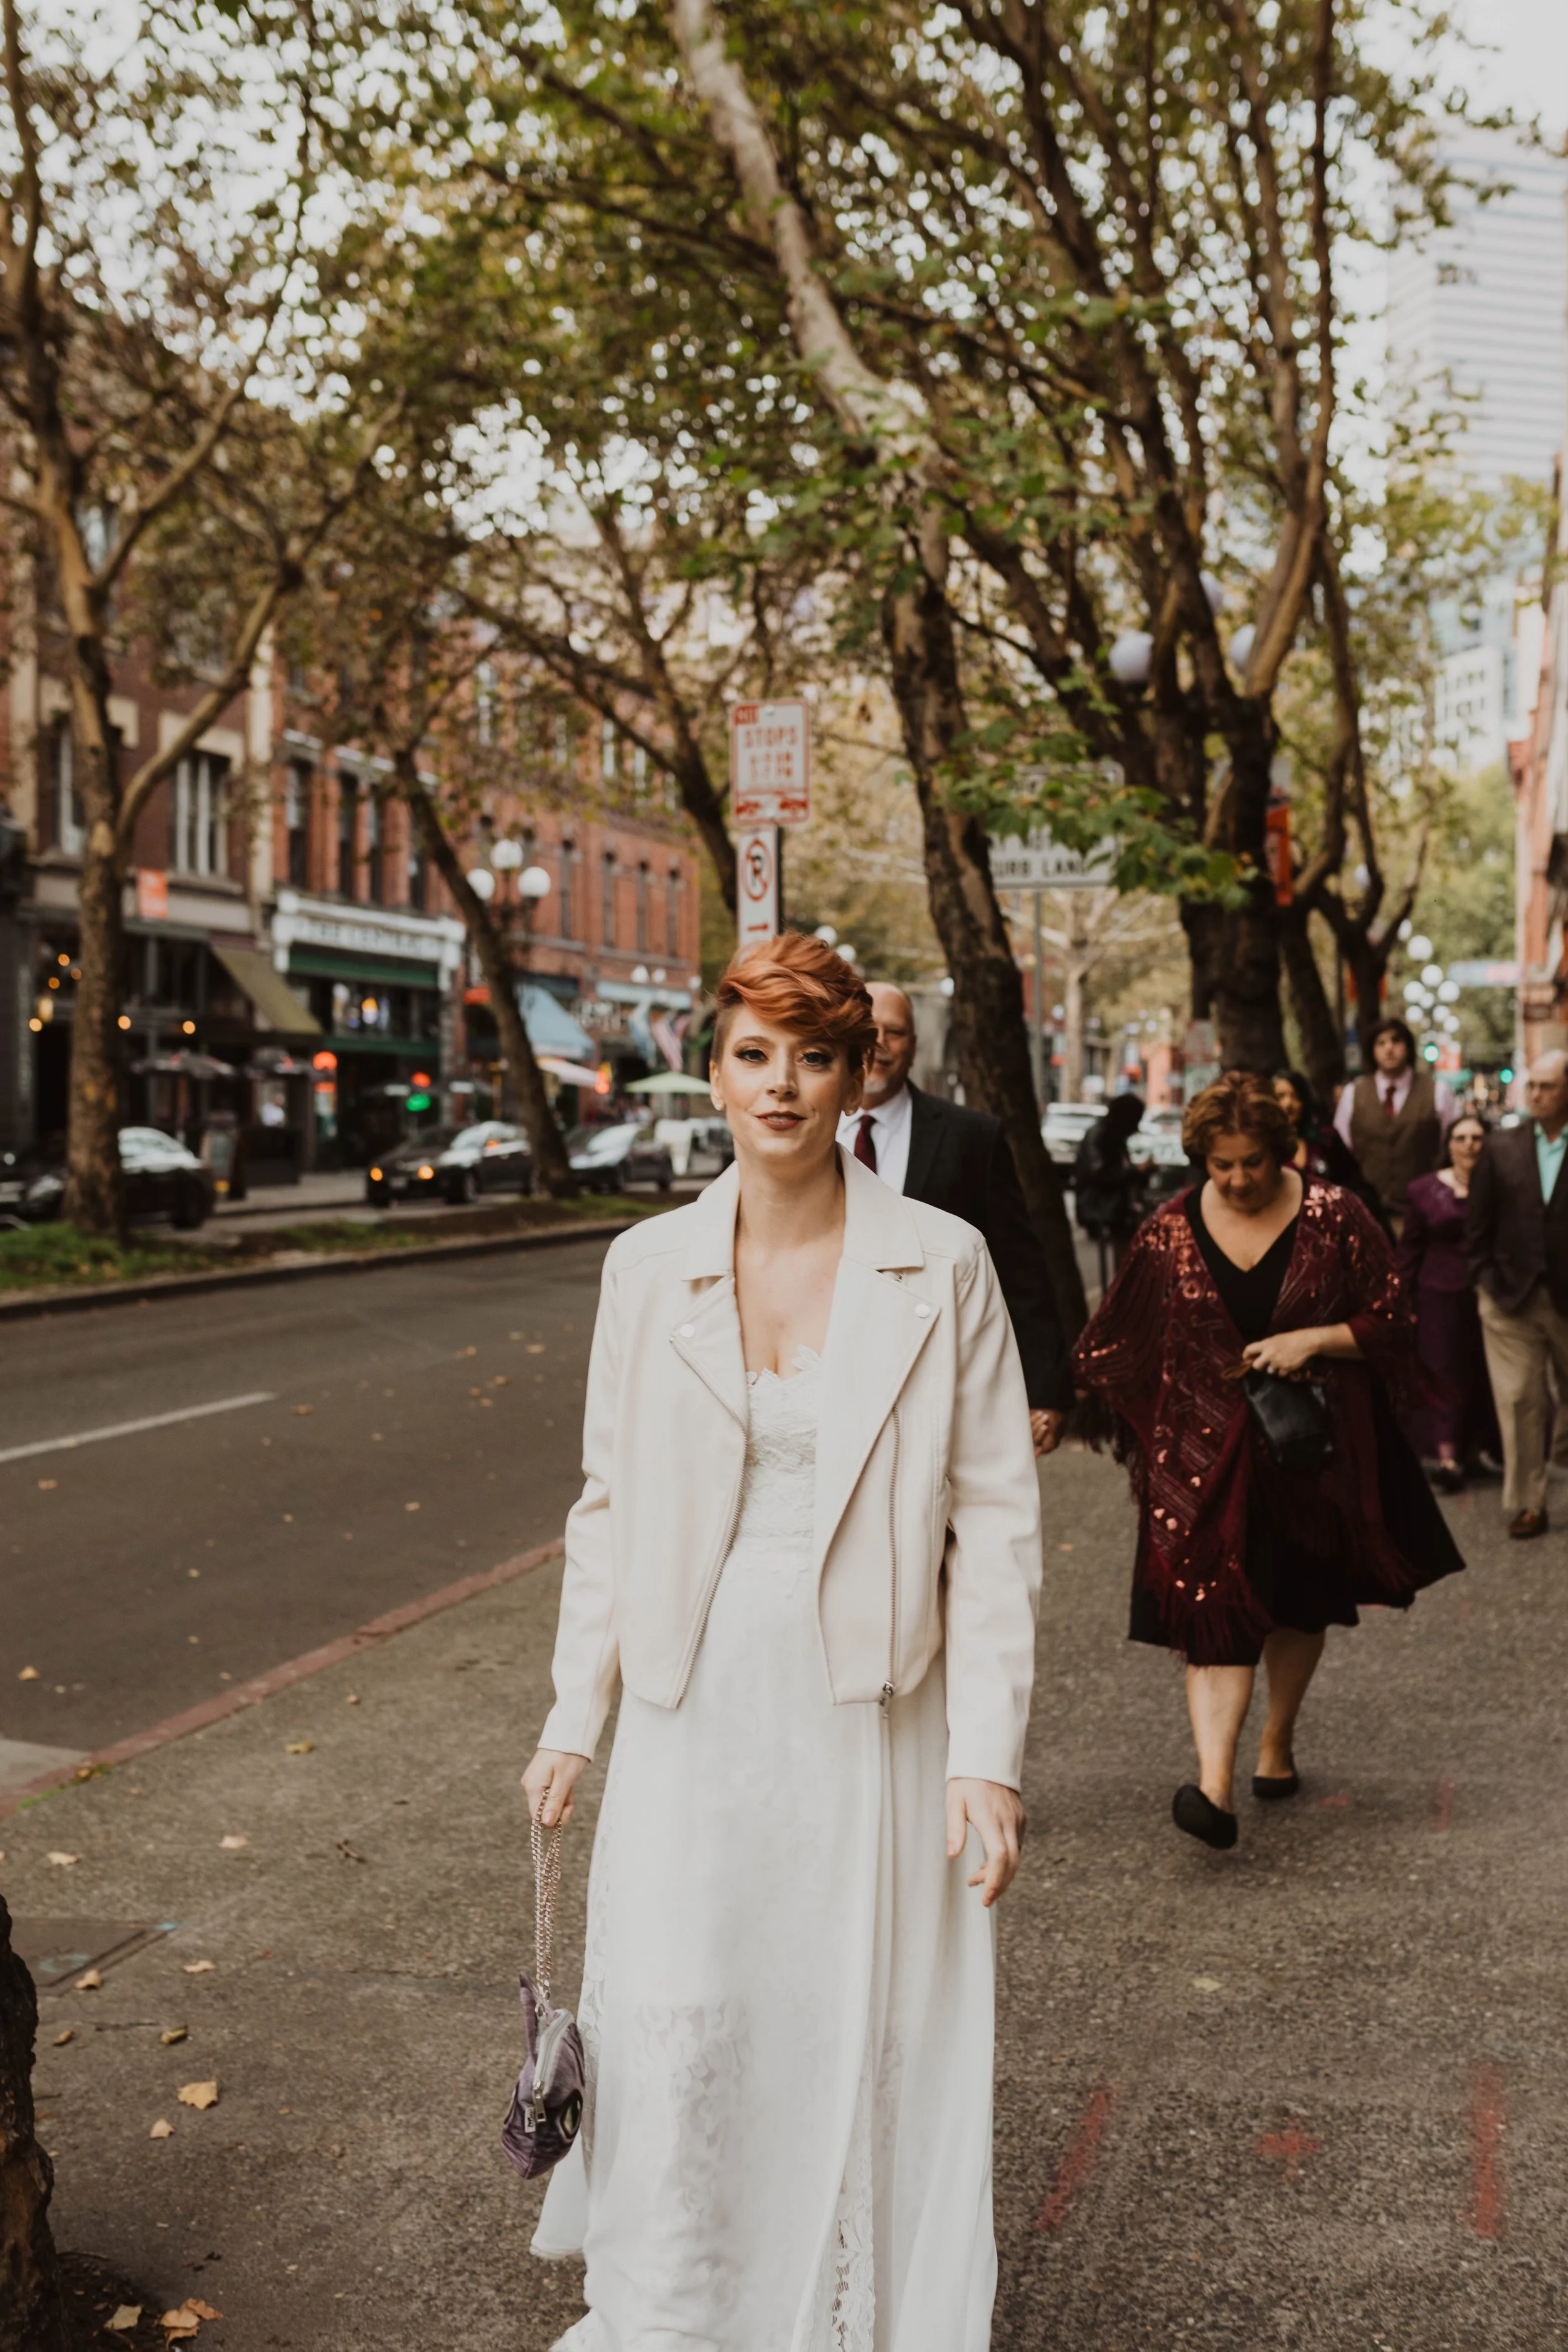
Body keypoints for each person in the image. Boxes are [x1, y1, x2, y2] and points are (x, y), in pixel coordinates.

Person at [524, 931, 1043, 2348]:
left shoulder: (943, 1265)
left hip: (872, 1710)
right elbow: (610, 1500)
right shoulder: (648, 1264)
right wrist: (579, 1710)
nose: (784, 1085)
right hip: (693, 1710)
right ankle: (681, 2307)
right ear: (716, 1064)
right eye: (756, 1052)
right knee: (683, 2019)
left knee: (846, 2025)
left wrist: (986, 1755)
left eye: (816, 1055)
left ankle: (832, 2310)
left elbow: (995, 1518)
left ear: (858, 1070)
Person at [1072, 1070, 1465, 1851]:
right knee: (1211, 1610)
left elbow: (1389, 1320)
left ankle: (1275, 1742)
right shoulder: (1167, 1229)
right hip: (1200, 1458)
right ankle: (1213, 1786)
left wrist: (1309, 1340)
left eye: (1253, 1161)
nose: (1239, 1179)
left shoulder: (1335, 1214)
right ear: (1201, 1158)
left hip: (1307, 1452)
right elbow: (1125, 1336)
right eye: (1221, 1165)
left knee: (1297, 1604)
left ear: (1280, 1152)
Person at [838, 980, 1074, 1453]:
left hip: (942, 1385)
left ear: (914, 1047)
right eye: (870, 1029)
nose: (881, 1043)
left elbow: (1021, 1269)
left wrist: (1045, 1390)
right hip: (830, 1374)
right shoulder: (803, 1133)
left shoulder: (973, 1138)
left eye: (896, 1032)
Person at [1466, 1051, 1568, 1538]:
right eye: (1533, 1086)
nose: (1537, 1094)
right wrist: (1485, 1279)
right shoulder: (1502, 1147)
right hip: (1512, 1297)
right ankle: (1528, 1502)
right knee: (1521, 1399)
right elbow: (1477, 1225)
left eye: (1548, 1086)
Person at [1397, 1113, 1501, 1491]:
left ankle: (1476, 1449)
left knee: (1482, 1371)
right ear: (1449, 1144)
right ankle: (1446, 1455)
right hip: (1437, 1293)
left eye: (1477, 1137)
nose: (1470, 1144)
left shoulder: (1500, 1186)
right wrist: (1402, 1298)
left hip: (1488, 1290)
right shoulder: (1423, 1190)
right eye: (1461, 1137)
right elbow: (1409, 1249)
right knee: (1443, 1371)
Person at [1332, 1017, 1456, 1227]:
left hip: (1424, 1214)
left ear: (1408, 1047)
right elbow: (1341, 1151)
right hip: (1367, 1215)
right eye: (1381, 1043)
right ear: (1372, 1051)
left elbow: (1452, 1147)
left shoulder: (1438, 1092)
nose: (1389, 1048)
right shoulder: (1354, 1094)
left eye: (1396, 1041)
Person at [1072, 1093, 1147, 1283]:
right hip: (1105, 1209)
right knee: (1122, 1264)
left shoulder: (1113, 1135)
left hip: (1114, 1209)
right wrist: (1136, 1173)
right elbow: (1099, 1174)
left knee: (1125, 1262)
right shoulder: (1103, 1135)